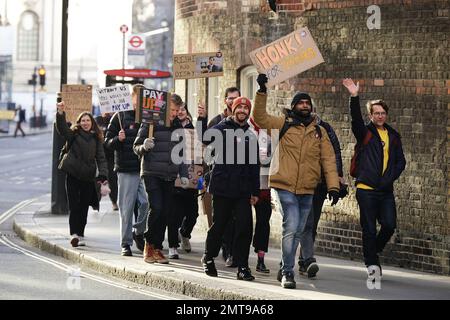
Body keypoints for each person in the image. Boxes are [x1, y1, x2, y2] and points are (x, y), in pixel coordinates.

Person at [252, 74, 340, 289]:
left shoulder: (319, 132)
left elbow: (328, 159)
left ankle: (285, 265)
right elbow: (260, 118)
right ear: (293, 106)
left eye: (307, 103)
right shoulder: (284, 123)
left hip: (308, 188)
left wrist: (333, 186)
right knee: (291, 227)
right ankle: (288, 273)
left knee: (299, 230)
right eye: (300, 103)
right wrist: (262, 91)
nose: (304, 106)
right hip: (284, 186)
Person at [343, 78, 406, 282]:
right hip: (366, 188)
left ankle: (373, 250)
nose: (380, 116)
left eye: (382, 113)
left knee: (389, 225)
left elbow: (400, 162)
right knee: (369, 227)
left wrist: (389, 178)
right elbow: (355, 119)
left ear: (386, 115)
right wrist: (354, 96)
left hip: (385, 189)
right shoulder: (365, 133)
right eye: (376, 113)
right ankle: (372, 264)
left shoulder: (394, 136)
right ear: (371, 115)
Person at [201, 96, 260, 281]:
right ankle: (208, 257)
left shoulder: (251, 135)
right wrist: (201, 119)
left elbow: (254, 166)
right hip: (223, 187)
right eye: (239, 107)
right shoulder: (221, 128)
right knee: (220, 225)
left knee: (244, 228)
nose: (242, 110)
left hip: (243, 190)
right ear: (233, 110)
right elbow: (204, 138)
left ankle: (242, 266)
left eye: (246, 108)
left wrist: (255, 192)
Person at [133, 93, 189, 264]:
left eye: (177, 110)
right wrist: (144, 146)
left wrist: (184, 174)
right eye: (172, 109)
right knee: (156, 207)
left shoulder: (179, 126)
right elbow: (136, 147)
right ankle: (148, 244)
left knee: (166, 212)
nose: (174, 113)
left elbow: (181, 153)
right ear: (164, 107)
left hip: (170, 174)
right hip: (152, 172)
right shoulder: (150, 122)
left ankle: (157, 248)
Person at [55, 102, 108, 248]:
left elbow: (101, 158)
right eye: (83, 120)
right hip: (72, 175)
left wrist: (103, 174)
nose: (85, 123)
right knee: (74, 206)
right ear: (79, 123)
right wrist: (60, 113)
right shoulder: (73, 134)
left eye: (88, 120)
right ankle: (74, 235)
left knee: (84, 207)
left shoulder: (96, 138)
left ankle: (81, 234)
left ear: (92, 123)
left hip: (88, 177)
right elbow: (62, 129)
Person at [105, 84, 149, 257]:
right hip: (126, 169)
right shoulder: (119, 116)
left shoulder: (148, 117)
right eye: (139, 98)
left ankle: (138, 231)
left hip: (144, 168)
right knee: (126, 208)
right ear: (132, 97)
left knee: (146, 203)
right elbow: (107, 143)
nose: (141, 102)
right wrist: (118, 138)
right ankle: (126, 243)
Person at [200, 87, 241, 265]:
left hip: (239, 179)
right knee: (221, 218)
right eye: (230, 98)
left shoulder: (245, 123)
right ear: (225, 101)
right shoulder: (217, 121)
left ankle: (232, 252)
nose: (233, 101)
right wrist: (201, 118)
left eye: (237, 98)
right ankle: (219, 250)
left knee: (237, 219)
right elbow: (205, 140)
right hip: (220, 176)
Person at [168, 103, 200, 259]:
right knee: (174, 214)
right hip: (175, 175)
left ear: (187, 113)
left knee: (193, 213)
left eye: (183, 109)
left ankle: (184, 233)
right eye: (177, 110)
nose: (179, 112)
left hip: (191, 175)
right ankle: (173, 245)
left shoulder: (195, 130)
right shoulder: (171, 126)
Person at [248, 116, 272, 274]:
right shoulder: (243, 131)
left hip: (264, 186)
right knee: (242, 224)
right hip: (245, 186)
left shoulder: (269, 134)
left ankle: (261, 258)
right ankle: (234, 254)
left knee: (263, 223)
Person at [95, 112, 118, 211]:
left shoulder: (116, 119)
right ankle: (96, 202)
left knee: (113, 180)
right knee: (98, 179)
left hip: (111, 155)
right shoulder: (97, 120)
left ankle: (114, 202)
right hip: (98, 155)